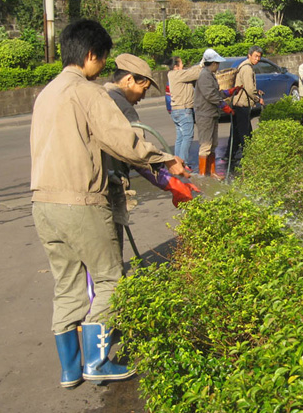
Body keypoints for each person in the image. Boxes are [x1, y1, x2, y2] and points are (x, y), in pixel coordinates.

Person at [30, 19, 189, 389]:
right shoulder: (87, 93)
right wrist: (165, 160)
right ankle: (97, 363)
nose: (103, 68)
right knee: (110, 279)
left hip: (43, 204)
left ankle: (70, 371)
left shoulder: (47, 93)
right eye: (101, 60)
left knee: (66, 285)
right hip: (80, 202)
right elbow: (123, 142)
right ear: (90, 55)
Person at [104, 53, 199, 256]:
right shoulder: (122, 108)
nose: (142, 97)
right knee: (108, 268)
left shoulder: (101, 96)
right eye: (143, 89)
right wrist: (170, 180)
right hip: (102, 193)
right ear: (129, 79)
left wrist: (167, 176)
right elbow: (137, 154)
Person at [194, 48, 240, 179]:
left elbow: (216, 93)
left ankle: (212, 172)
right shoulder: (204, 76)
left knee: (213, 144)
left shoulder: (210, 75)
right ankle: (203, 175)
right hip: (205, 115)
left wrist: (229, 92)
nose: (218, 66)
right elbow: (211, 96)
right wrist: (225, 107)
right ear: (213, 63)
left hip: (212, 114)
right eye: (217, 63)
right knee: (206, 145)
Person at [228, 45, 264, 170]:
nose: (257, 59)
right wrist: (257, 98)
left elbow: (247, 86)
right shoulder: (247, 68)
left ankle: (230, 155)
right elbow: (249, 88)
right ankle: (249, 157)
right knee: (245, 133)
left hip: (238, 103)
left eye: (259, 57)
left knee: (237, 132)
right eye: (255, 56)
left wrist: (256, 91)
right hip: (242, 104)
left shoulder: (244, 65)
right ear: (249, 55)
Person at [167, 56, 201, 170]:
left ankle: (177, 162)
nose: (183, 66)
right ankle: (183, 163)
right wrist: (201, 65)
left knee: (180, 137)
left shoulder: (173, 75)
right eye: (181, 64)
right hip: (183, 110)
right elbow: (195, 73)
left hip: (176, 111)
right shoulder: (178, 74)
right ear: (176, 67)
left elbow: (190, 72)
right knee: (187, 136)